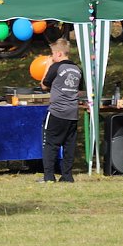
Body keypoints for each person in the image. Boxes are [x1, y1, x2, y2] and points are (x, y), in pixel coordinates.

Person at [39, 38, 82, 183]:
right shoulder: (77, 69)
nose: (51, 57)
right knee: (69, 145)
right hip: (72, 113)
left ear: (58, 53)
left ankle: (49, 176)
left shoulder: (56, 67)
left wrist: (48, 66)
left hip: (57, 111)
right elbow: (80, 91)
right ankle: (67, 176)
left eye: (52, 54)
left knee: (50, 143)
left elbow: (44, 85)